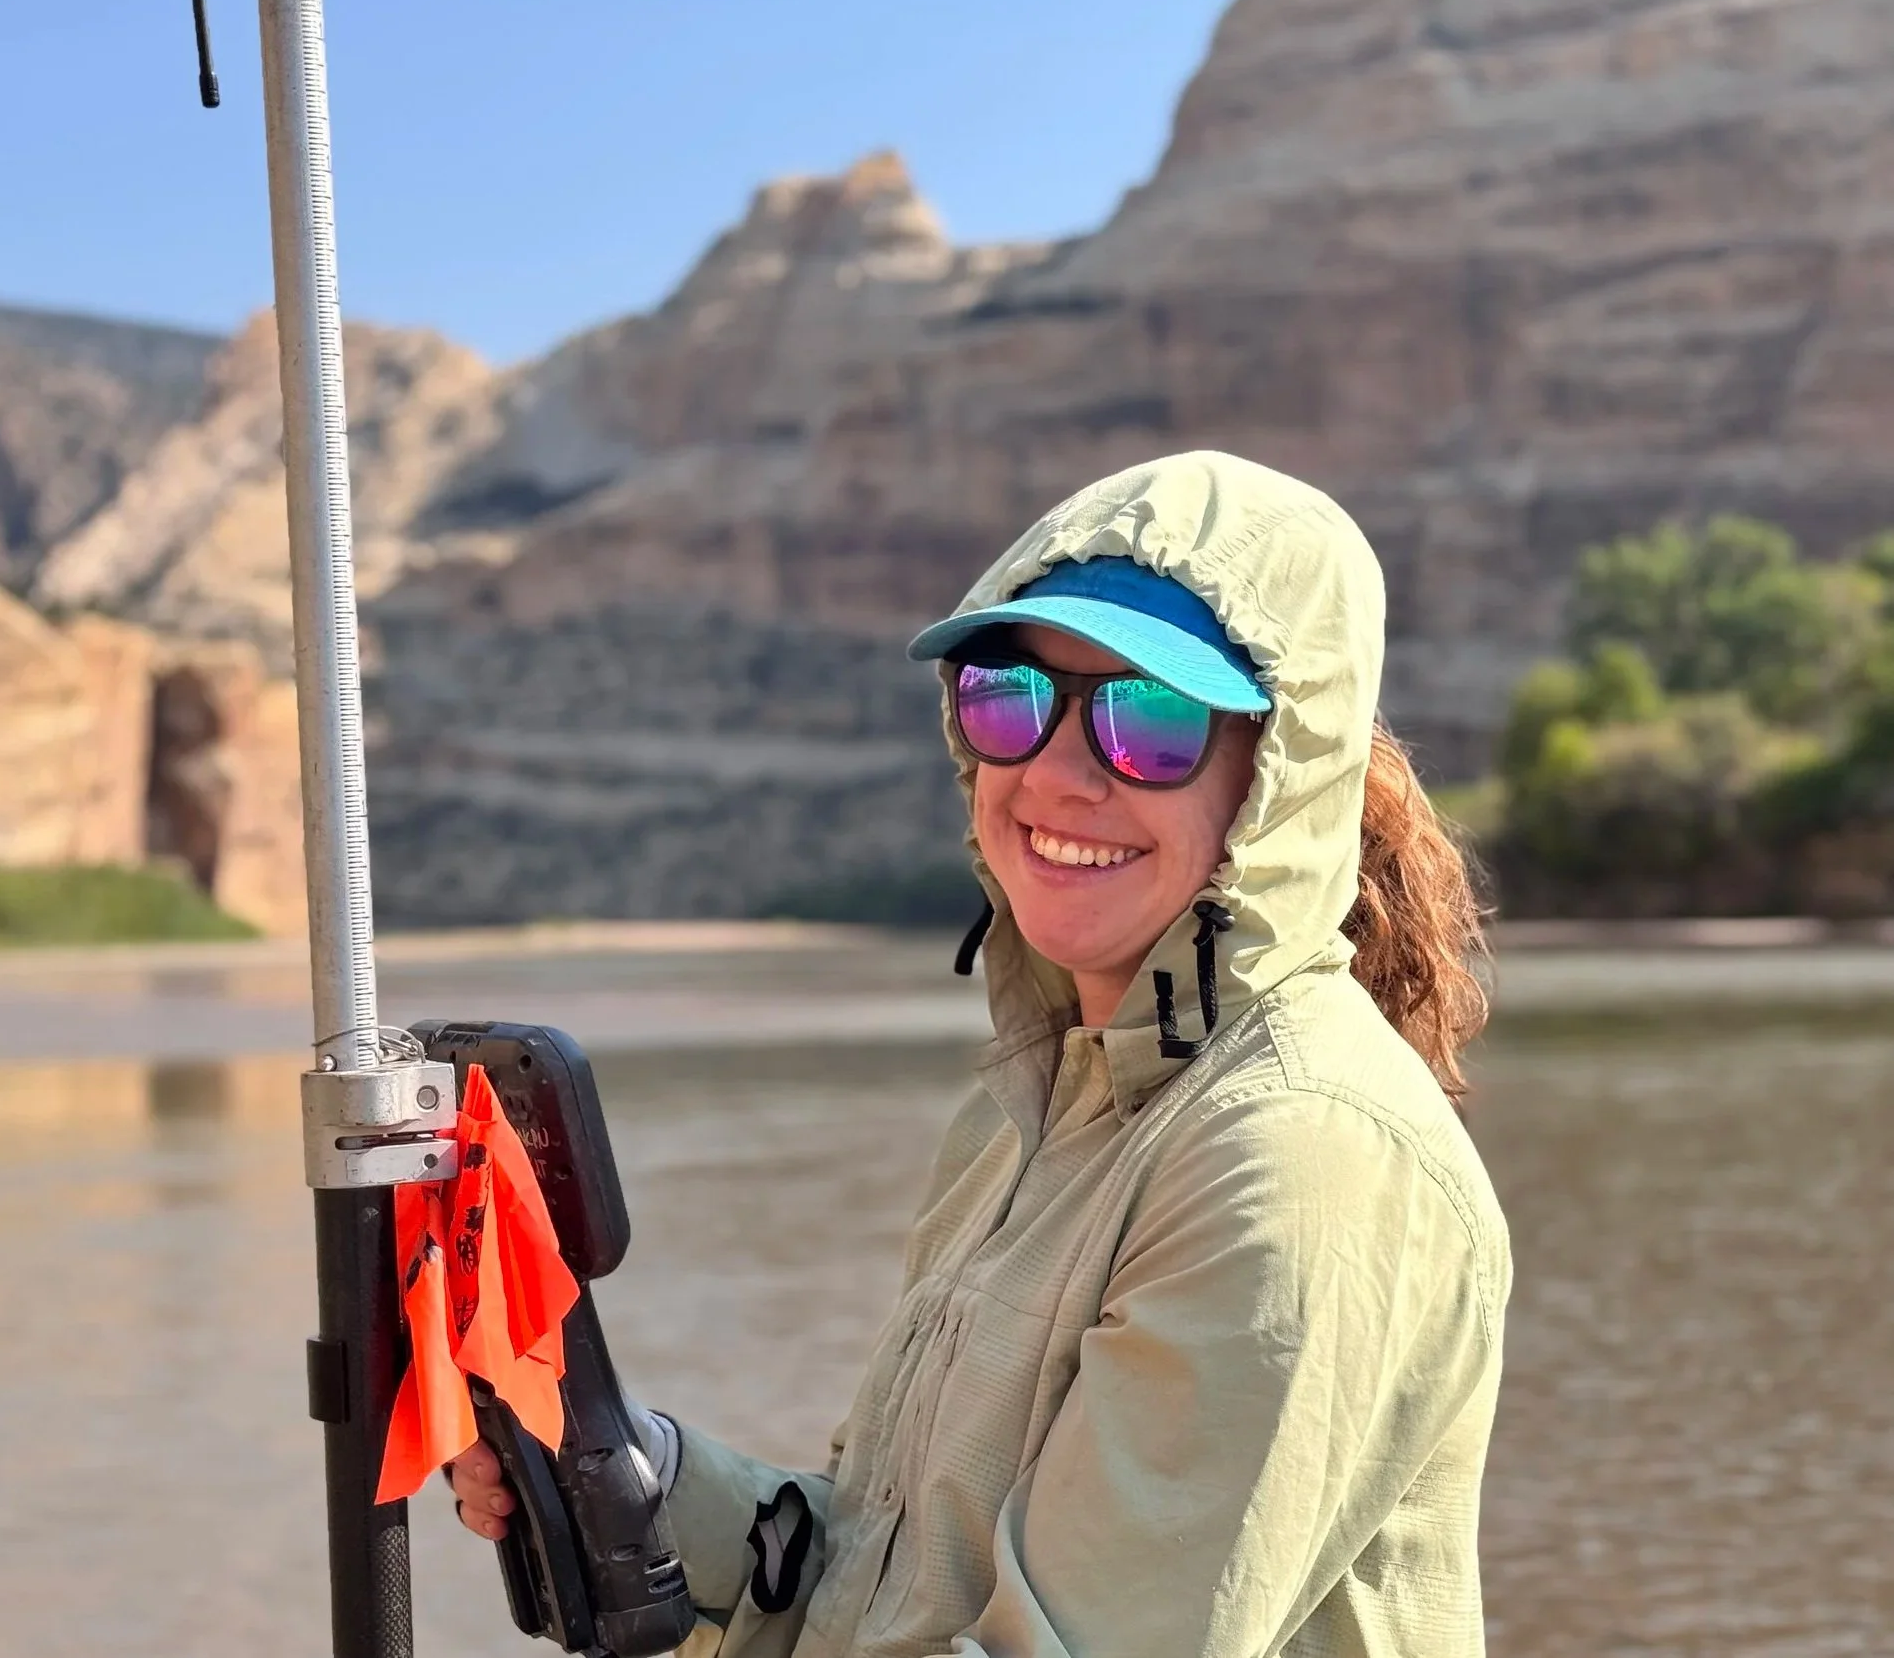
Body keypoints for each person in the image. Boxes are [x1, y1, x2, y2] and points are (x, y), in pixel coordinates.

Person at [453, 451, 1511, 1656]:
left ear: (1280, 775)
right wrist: (632, 1472)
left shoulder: (1296, 1153)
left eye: (1153, 717)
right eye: (1010, 696)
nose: (1056, 772)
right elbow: (882, 1568)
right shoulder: (1032, 1105)